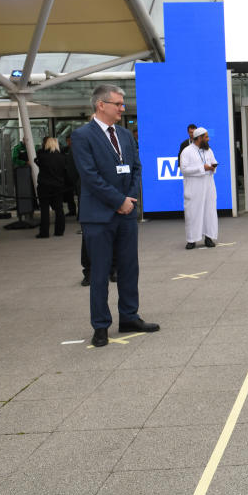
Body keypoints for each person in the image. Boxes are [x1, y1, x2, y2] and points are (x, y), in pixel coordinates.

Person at [71, 85, 159, 347]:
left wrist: (129, 200)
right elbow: (89, 176)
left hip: (126, 214)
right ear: (101, 105)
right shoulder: (82, 136)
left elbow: (135, 167)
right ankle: (100, 326)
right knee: (99, 272)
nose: (123, 108)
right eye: (118, 104)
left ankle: (129, 316)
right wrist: (118, 200)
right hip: (99, 216)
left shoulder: (124, 134)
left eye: (123, 104)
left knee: (129, 268)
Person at [179, 126, 218, 250]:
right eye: (206, 137)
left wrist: (212, 167)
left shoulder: (208, 150)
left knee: (209, 212)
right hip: (194, 188)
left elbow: (214, 162)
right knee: (193, 213)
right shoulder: (186, 151)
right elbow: (184, 170)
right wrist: (202, 168)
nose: (208, 139)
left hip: (208, 186)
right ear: (199, 138)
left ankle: (208, 237)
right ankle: (192, 240)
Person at [34, 136, 67, 238]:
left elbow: (37, 161)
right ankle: (59, 231)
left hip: (44, 185)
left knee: (44, 209)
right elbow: (65, 171)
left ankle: (44, 232)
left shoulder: (42, 155)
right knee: (59, 208)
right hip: (58, 186)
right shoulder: (62, 157)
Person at [63, 134, 78, 216]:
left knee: (79, 195)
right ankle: (72, 210)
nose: (69, 142)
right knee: (69, 195)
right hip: (67, 176)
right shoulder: (64, 150)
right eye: (67, 141)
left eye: (70, 140)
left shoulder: (77, 149)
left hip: (76, 175)